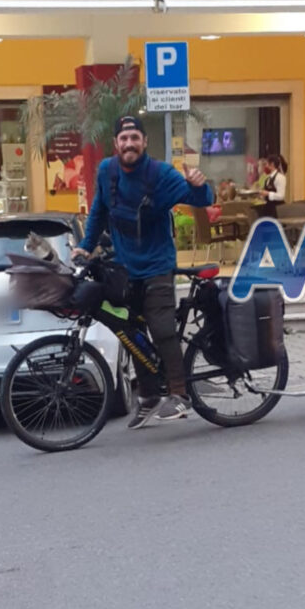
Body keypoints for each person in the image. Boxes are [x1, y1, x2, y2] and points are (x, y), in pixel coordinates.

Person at [71, 115, 213, 429]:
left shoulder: (160, 174)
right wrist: (85, 246)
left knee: (161, 328)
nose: (129, 144)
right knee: (132, 333)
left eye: (135, 138)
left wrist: (201, 187)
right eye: (124, 139)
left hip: (157, 266)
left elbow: (201, 199)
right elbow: (98, 212)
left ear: (144, 142)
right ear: (116, 144)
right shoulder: (107, 171)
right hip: (124, 268)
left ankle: (180, 394)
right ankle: (148, 397)